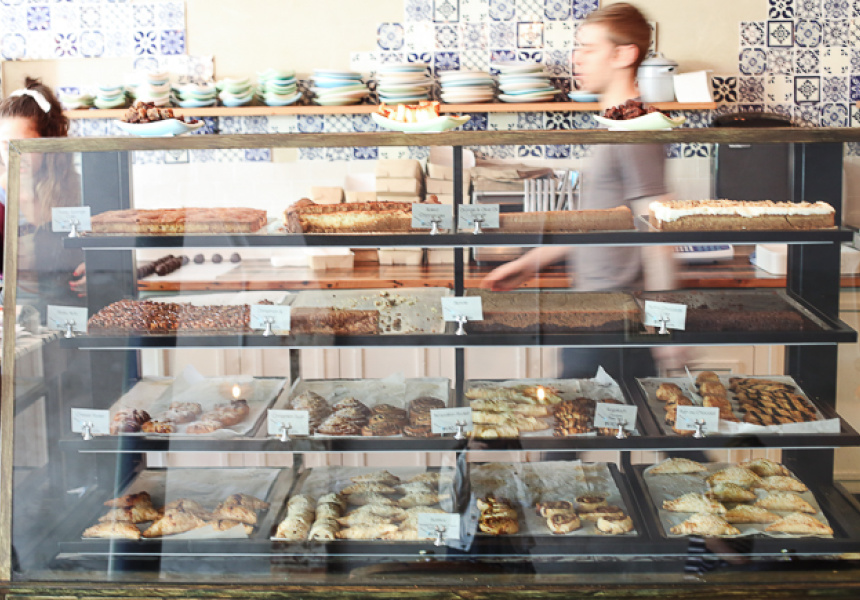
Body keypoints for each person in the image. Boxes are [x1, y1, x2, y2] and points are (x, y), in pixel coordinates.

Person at [481, 3, 684, 380]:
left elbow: (659, 234)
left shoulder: (636, 128)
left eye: (589, 48)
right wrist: (528, 265)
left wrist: (666, 327)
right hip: (595, 311)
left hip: (617, 320)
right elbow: (601, 224)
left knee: (586, 413)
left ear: (624, 55)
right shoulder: (615, 124)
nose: (576, 58)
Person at [0, 77, 85, 311]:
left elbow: (103, 253)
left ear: (50, 143)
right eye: (6, 145)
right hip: (15, 316)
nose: (15, 155)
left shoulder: (78, 191)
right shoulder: (2, 198)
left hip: (71, 311)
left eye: (25, 145)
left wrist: (97, 271)